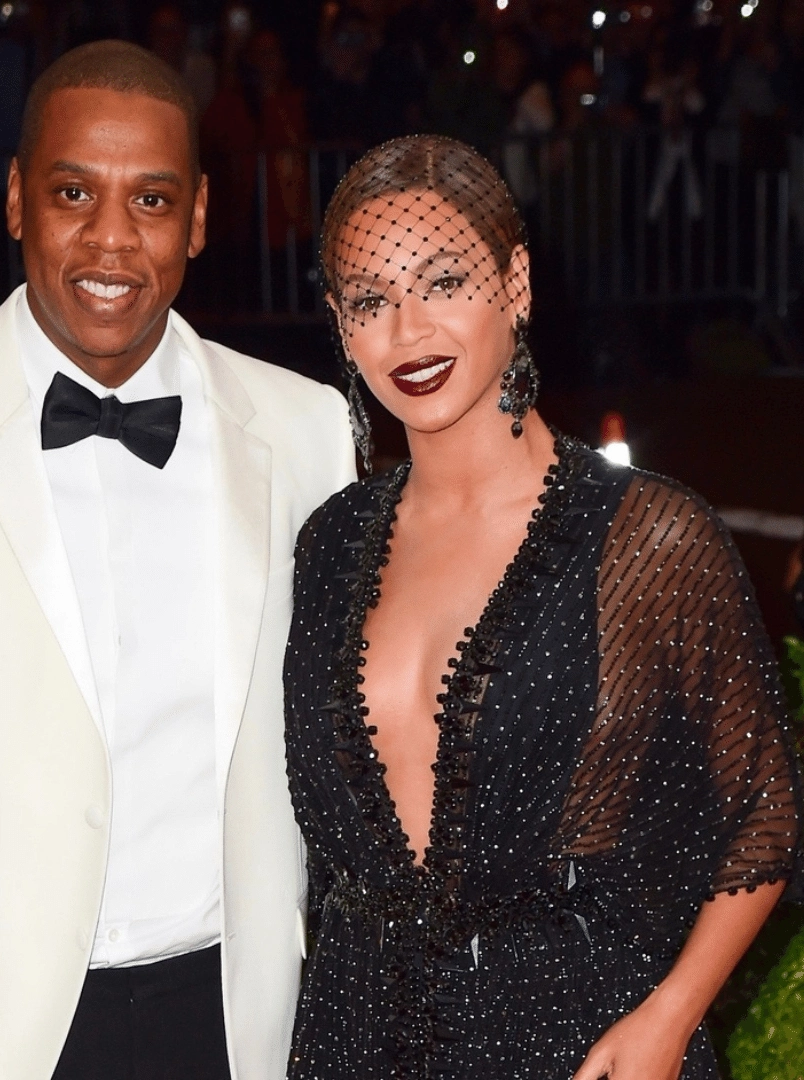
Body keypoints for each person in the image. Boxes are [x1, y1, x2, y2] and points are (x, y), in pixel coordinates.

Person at [0, 40, 355, 1080]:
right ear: (15, 200)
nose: (111, 239)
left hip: (233, 1024)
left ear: (199, 217)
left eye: (151, 200)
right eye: (73, 192)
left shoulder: (305, 431)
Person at [283, 135, 802, 1080]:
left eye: (443, 282)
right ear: (341, 326)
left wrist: (670, 1017)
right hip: (357, 1037)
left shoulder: (647, 539)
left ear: (515, 283)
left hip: (579, 1038)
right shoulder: (331, 543)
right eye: (370, 300)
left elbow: (765, 809)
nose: (408, 330)